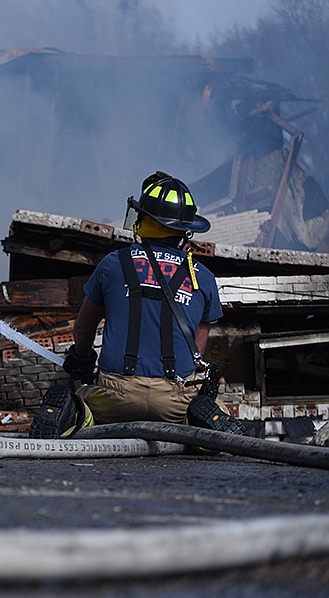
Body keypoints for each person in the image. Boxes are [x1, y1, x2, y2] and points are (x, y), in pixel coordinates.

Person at [29, 172, 246, 439]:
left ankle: (75, 415)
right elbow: (195, 355)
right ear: (186, 229)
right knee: (211, 411)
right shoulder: (202, 276)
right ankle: (199, 427)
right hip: (174, 402)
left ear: (142, 220)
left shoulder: (112, 264)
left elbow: (84, 327)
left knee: (82, 402)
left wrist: (82, 359)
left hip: (115, 397)